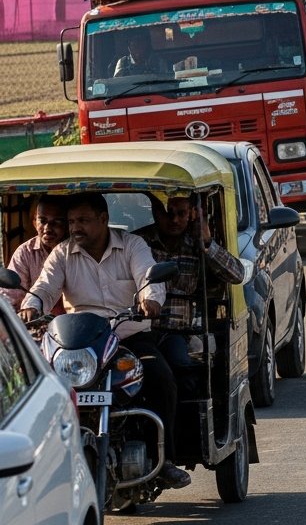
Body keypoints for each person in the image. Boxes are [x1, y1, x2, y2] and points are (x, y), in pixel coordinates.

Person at [20, 192, 190, 489]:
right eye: (72, 221)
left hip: (128, 338)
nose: (75, 228)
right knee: (36, 388)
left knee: (161, 377)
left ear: (103, 219)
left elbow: (149, 279)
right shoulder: (62, 253)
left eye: (83, 221)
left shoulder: (132, 246)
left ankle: (165, 460)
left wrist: (150, 301)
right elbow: (44, 287)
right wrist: (31, 304)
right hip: (79, 344)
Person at [133, 195, 245, 376]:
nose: (174, 220)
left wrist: (207, 243)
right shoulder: (138, 242)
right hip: (140, 329)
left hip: (179, 333)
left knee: (181, 367)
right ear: (155, 213)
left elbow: (237, 275)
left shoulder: (197, 243)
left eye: (181, 213)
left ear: (192, 214)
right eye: (168, 213)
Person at [4, 194, 68, 313]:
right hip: (38, 323)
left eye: (56, 222)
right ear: (34, 222)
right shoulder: (25, 252)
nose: (48, 228)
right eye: (42, 221)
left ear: (67, 224)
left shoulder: (76, 252)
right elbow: (9, 296)